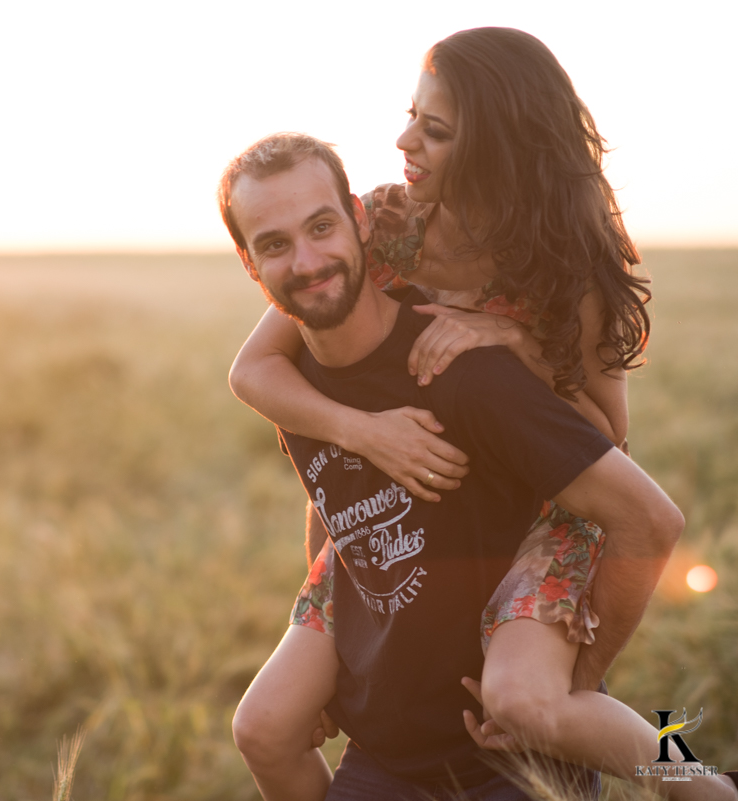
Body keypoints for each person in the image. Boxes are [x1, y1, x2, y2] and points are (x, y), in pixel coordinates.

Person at [218, 130, 736, 800]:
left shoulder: (537, 285)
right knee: (259, 723)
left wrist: (582, 677)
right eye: (275, 243)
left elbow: (622, 454)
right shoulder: (312, 352)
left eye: (321, 226)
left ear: (353, 221)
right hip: (386, 623)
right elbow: (328, 492)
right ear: (248, 259)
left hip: (563, 512)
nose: (409, 142)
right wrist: (361, 434)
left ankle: (700, 776)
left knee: (556, 702)